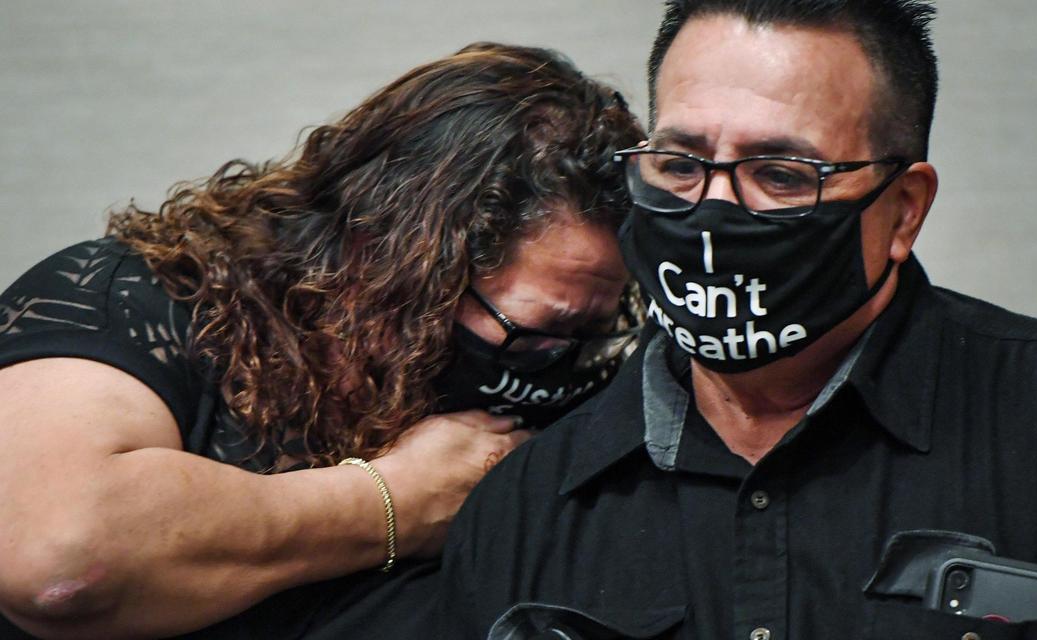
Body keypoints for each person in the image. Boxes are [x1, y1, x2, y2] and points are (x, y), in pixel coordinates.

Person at [437, 2, 1037, 638]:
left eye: (780, 175)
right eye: (680, 164)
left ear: (903, 211)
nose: (712, 213)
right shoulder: (528, 504)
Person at [0, 42, 643, 638]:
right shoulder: (138, 299)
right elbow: (59, 564)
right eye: (541, 327)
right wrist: (389, 502)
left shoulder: (565, 383)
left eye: (592, 328)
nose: (562, 358)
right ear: (389, 253)